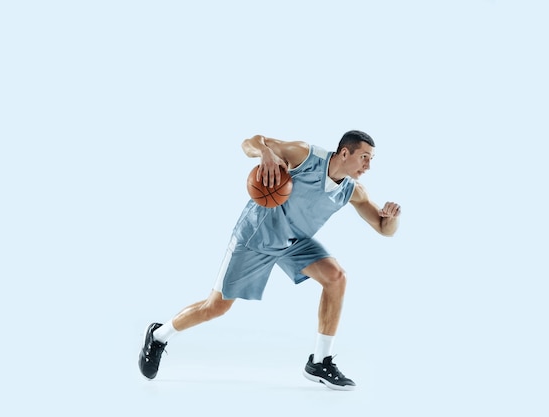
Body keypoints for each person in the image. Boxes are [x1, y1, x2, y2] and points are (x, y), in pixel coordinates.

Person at [138, 130, 401, 390]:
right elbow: (250, 142)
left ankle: (320, 361)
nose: (368, 165)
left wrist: (391, 218)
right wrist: (264, 153)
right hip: (256, 236)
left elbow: (383, 228)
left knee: (336, 277)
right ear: (345, 152)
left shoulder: (353, 191)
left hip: (294, 242)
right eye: (365, 157)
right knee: (215, 307)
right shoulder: (305, 156)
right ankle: (159, 335)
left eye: (371, 159)